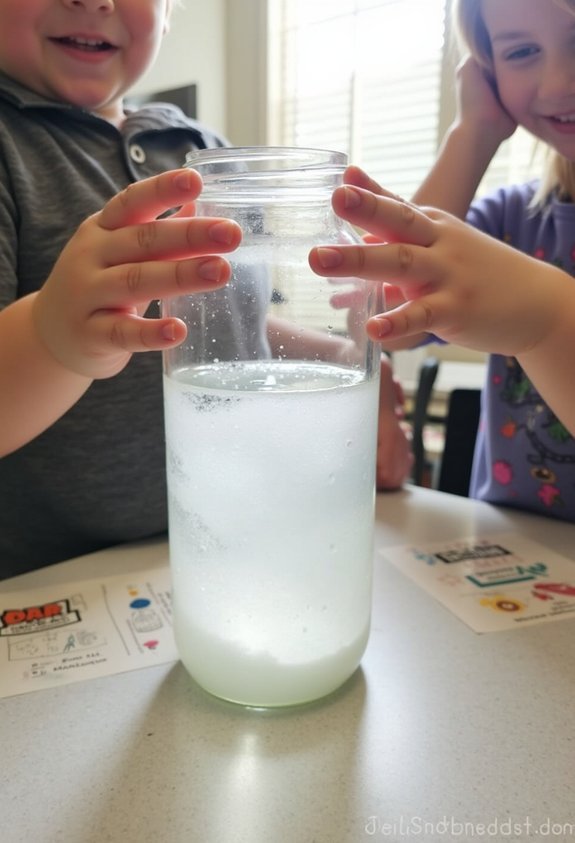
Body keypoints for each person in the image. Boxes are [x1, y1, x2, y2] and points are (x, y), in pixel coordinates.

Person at [0, 0, 411, 579]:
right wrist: (52, 337)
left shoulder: (207, 151)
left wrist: (352, 363)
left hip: (230, 535)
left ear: (171, 11)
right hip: (56, 573)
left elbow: (229, 327)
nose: (93, 0)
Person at [310, 0, 575, 522]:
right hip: (513, 554)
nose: (558, 82)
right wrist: (473, 132)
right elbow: (383, 324)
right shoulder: (514, 218)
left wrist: (548, 319)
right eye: (520, 51)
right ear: (486, 71)